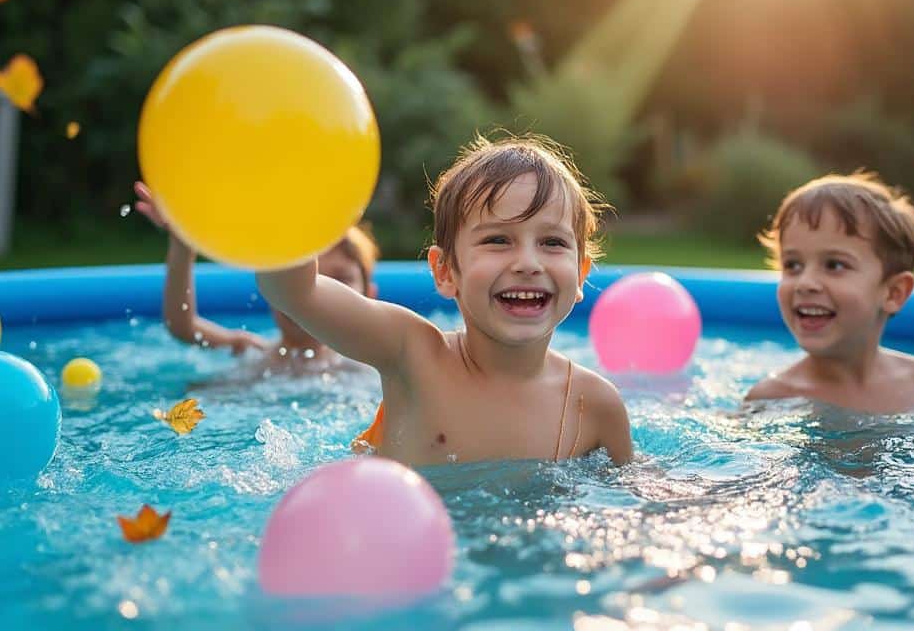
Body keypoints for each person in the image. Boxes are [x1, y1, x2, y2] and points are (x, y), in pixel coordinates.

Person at [256, 135, 634, 467]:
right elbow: (294, 293)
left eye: (552, 243)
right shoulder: (412, 354)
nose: (528, 264)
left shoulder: (595, 405)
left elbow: (630, 499)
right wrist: (290, 192)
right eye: (497, 240)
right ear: (445, 271)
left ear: (582, 273)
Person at [745, 172, 914, 413]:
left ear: (894, 293)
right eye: (793, 265)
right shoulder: (772, 398)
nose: (805, 283)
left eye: (834, 265)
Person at [133, 181, 378, 369]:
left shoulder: (371, 370)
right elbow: (183, 325)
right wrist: (183, 244)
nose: (315, 293)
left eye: (341, 279)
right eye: (298, 281)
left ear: (370, 295)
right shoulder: (251, 350)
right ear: (271, 290)